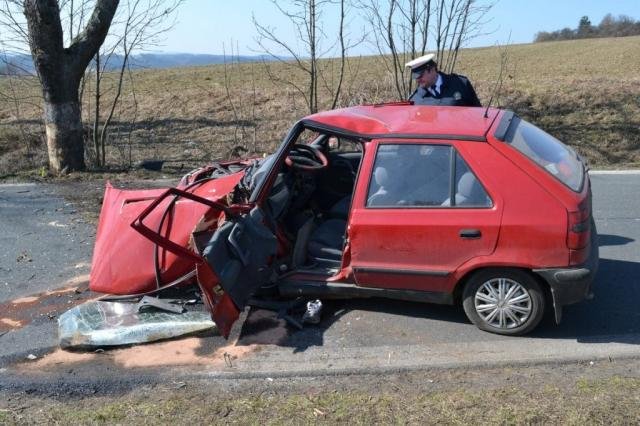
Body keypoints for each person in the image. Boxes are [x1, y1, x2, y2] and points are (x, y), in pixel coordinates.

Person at [405, 53, 481, 107]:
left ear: (432, 69)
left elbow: (477, 113)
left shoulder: (460, 84)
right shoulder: (416, 99)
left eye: (420, 75)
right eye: (415, 77)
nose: (418, 80)